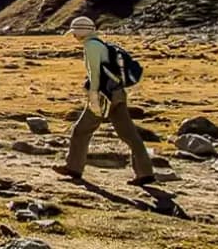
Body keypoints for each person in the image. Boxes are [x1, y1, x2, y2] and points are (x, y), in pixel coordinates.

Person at [53, 17, 156, 186]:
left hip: (104, 95)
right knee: (129, 134)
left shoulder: (91, 47)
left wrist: (93, 96)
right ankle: (145, 172)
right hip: (117, 92)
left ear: (81, 32)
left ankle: (73, 167)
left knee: (81, 130)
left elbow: (95, 75)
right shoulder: (101, 44)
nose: (74, 36)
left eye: (75, 33)